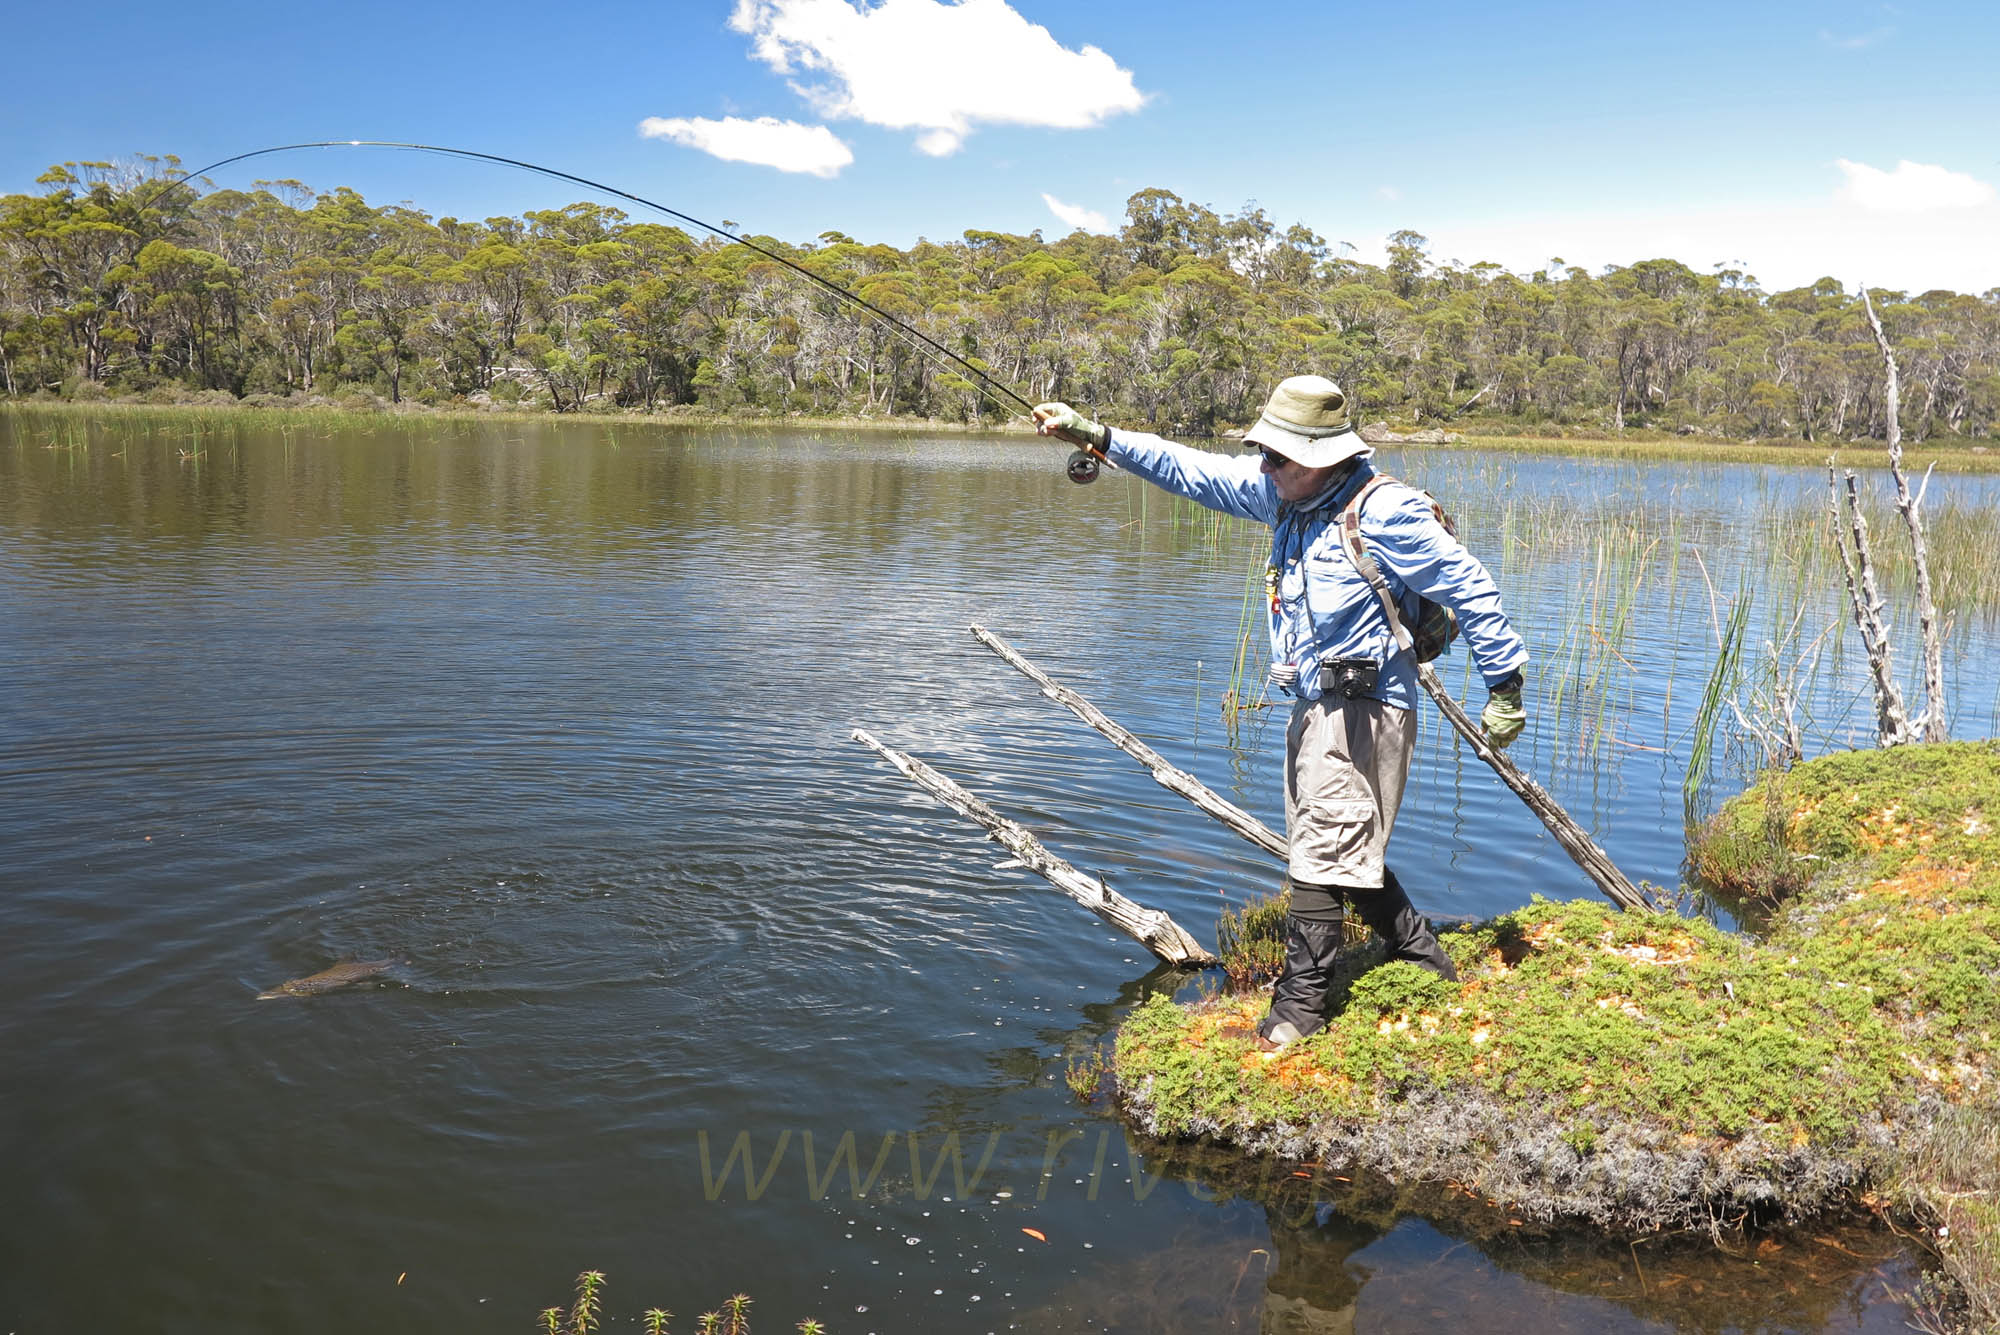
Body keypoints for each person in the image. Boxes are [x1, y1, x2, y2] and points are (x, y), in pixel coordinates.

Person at [1033, 376, 1528, 1052]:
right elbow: (1189, 468)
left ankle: (1299, 1008)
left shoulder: (1386, 511)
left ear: (1324, 455)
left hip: (1366, 708)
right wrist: (1097, 435)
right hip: (1313, 704)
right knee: (1331, 844)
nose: (1265, 466)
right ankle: (1419, 952)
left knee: (1322, 851)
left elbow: (1470, 585)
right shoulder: (1282, 494)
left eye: (1278, 456)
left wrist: (1505, 684)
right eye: (1263, 453)